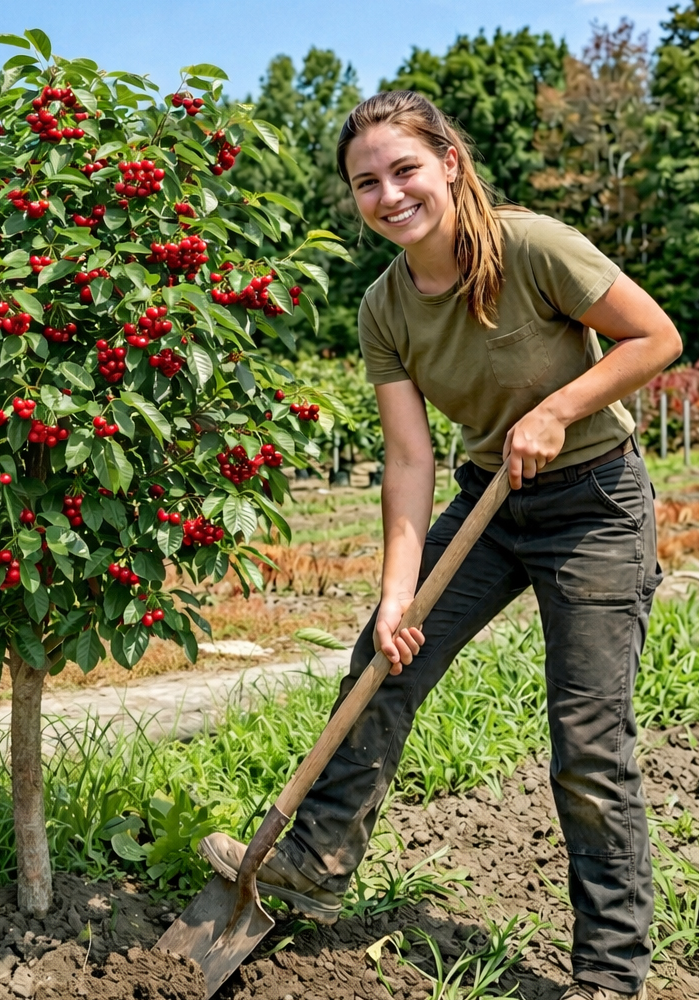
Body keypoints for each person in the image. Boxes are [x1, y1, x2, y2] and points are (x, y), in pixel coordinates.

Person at [200, 91, 680, 1000]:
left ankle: (611, 974)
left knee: (588, 738)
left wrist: (558, 408)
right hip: (492, 505)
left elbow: (656, 336)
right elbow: (411, 457)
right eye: (366, 183)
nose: (389, 195)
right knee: (385, 659)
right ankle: (316, 861)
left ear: (450, 163)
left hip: (595, 501)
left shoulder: (534, 246)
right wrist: (395, 595)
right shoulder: (384, 307)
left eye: (404, 169)